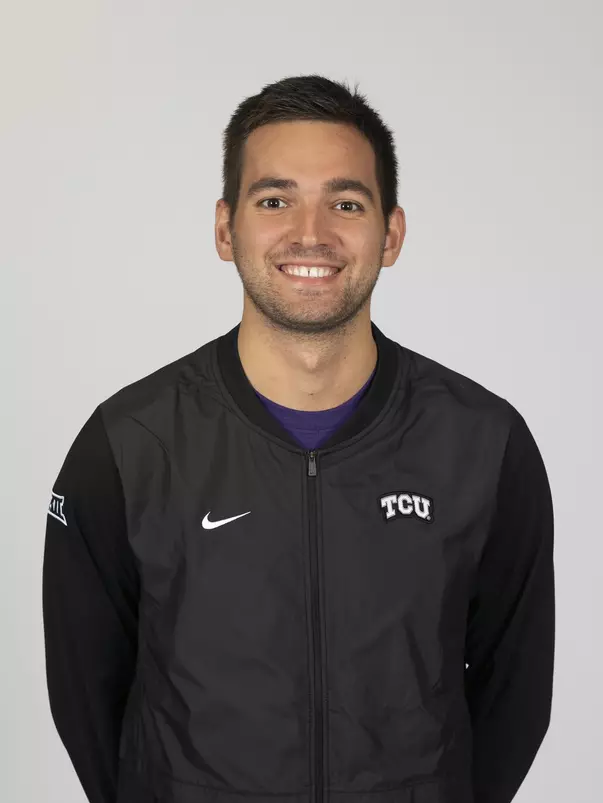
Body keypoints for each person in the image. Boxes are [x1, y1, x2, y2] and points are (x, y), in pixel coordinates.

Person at [42, 75, 555, 803]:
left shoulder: (484, 446)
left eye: (345, 203)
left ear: (391, 233)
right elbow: (87, 698)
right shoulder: (127, 447)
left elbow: (515, 695)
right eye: (274, 200)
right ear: (225, 229)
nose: (310, 234)